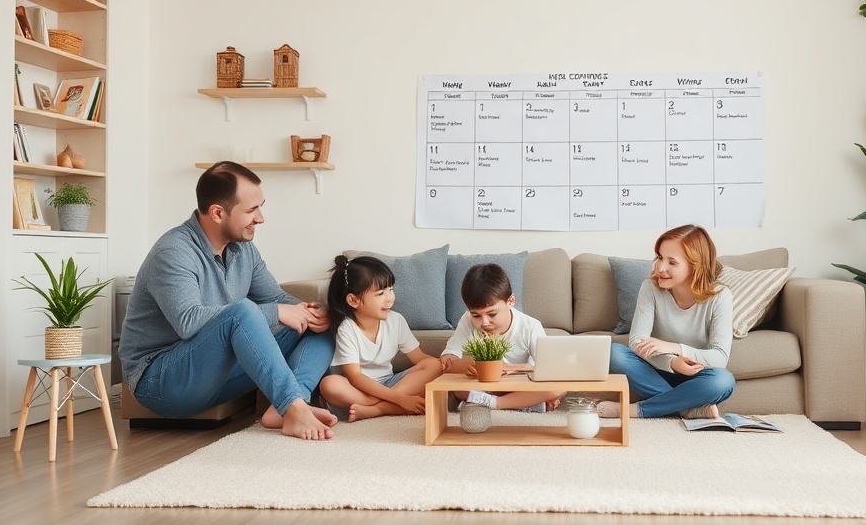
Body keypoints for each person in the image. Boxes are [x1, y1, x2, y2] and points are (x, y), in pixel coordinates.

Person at [119, 161, 337, 440]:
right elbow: (188, 321)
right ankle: (293, 408)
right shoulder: (173, 251)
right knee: (242, 312)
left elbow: (276, 299)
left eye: (260, 206)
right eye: (251, 210)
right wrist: (276, 312)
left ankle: (292, 404)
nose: (261, 218)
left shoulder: (243, 249)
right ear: (218, 213)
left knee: (324, 325)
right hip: (162, 382)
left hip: (218, 375)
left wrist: (312, 313)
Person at [600, 224, 735, 420]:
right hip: (655, 369)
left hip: (695, 374)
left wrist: (675, 348)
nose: (660, 268)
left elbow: (720, 357)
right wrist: (672, 362)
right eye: (660, 258)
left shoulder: (720, 297)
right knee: (615, 353)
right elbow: (637, 341)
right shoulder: (650, 288)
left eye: (672, 262)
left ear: (695, 265)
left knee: (723, 381)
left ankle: (634, 410)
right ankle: (687, 408)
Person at [318, 255, 443, 421]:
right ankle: (389, 405)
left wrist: (445, 366)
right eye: (380, 293)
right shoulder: (346, 328)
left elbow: (420, 358)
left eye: (390, 289)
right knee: (329, 385)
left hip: (392, 383)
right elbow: (354, 377)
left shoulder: (396, 320)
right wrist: (400, 399)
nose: (390, 298)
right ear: (353, 300)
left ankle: (377, 409)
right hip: (360, 389)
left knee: (434, 365)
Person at [441, 263, 562, 413]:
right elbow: (446, 361)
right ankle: (522, 404)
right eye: (476, 315)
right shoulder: (467, 320)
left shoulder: (529, 326)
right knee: (458, 389)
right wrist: (466, 365)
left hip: (518, 386)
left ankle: (491, 403)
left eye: (492, 314)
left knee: (559, 388)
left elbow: (552, 370)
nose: (484, 322)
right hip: (485, 386)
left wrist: (513, 368)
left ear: (510, 301)